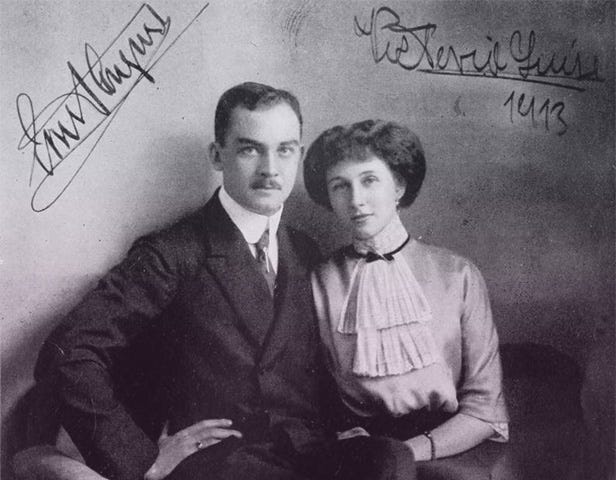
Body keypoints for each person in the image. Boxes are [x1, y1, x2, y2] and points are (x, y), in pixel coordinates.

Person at [26, 84, 416, 480]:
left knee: (390, 458)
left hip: (304, 451)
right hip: (222, 461)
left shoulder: (304, 250)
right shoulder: (173, 252)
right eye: (250, 149)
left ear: (298, 156)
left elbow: (312, 371)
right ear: (218, 155)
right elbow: (67, 350)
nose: (270, 168)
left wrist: (339, 427)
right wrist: (139, 457)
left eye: (284, 150)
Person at [303, 119, 509, 463]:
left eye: (369, 180)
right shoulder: (319, 281)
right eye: (340, 186)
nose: (356, 200)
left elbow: (485, 409)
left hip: (449, 450)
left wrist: (405, 453)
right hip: (360, 454)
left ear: (398, 185)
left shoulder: (458, 275)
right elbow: (314, 397)